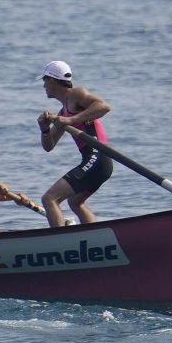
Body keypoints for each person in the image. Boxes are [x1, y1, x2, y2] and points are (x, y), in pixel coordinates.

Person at [36, 60, 113, 227]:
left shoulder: (76, 94)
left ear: (51, 80)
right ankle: (94, 239)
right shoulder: (63, 111)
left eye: (44, 81)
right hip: (98, 162)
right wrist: (44, 129)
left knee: (49, 198)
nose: (43, 86)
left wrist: (71, 119)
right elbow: (49, 146)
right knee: (74, 202)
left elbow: (104, 106)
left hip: (97, 157)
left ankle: (59, 243)